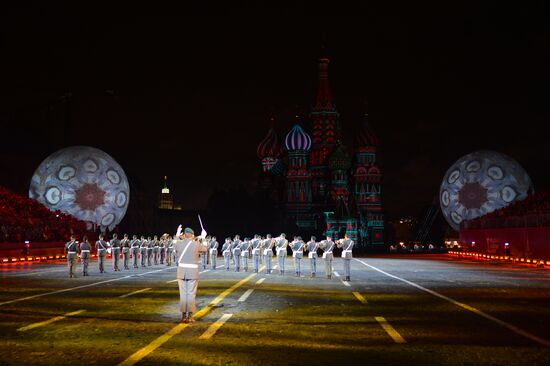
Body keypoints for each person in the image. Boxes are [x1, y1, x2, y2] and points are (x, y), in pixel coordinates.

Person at [173, 225, 208, 324]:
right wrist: (204, 237)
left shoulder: (179, 243)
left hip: (181, 272)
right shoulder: (196, 244)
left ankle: (183, 316)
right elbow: (205, 249)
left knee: (183, 295)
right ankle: (190, 317)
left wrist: (176, 234)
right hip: (192, 273)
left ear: (184, 235)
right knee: (191, 294)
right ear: (192, 235)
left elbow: (174, 244)